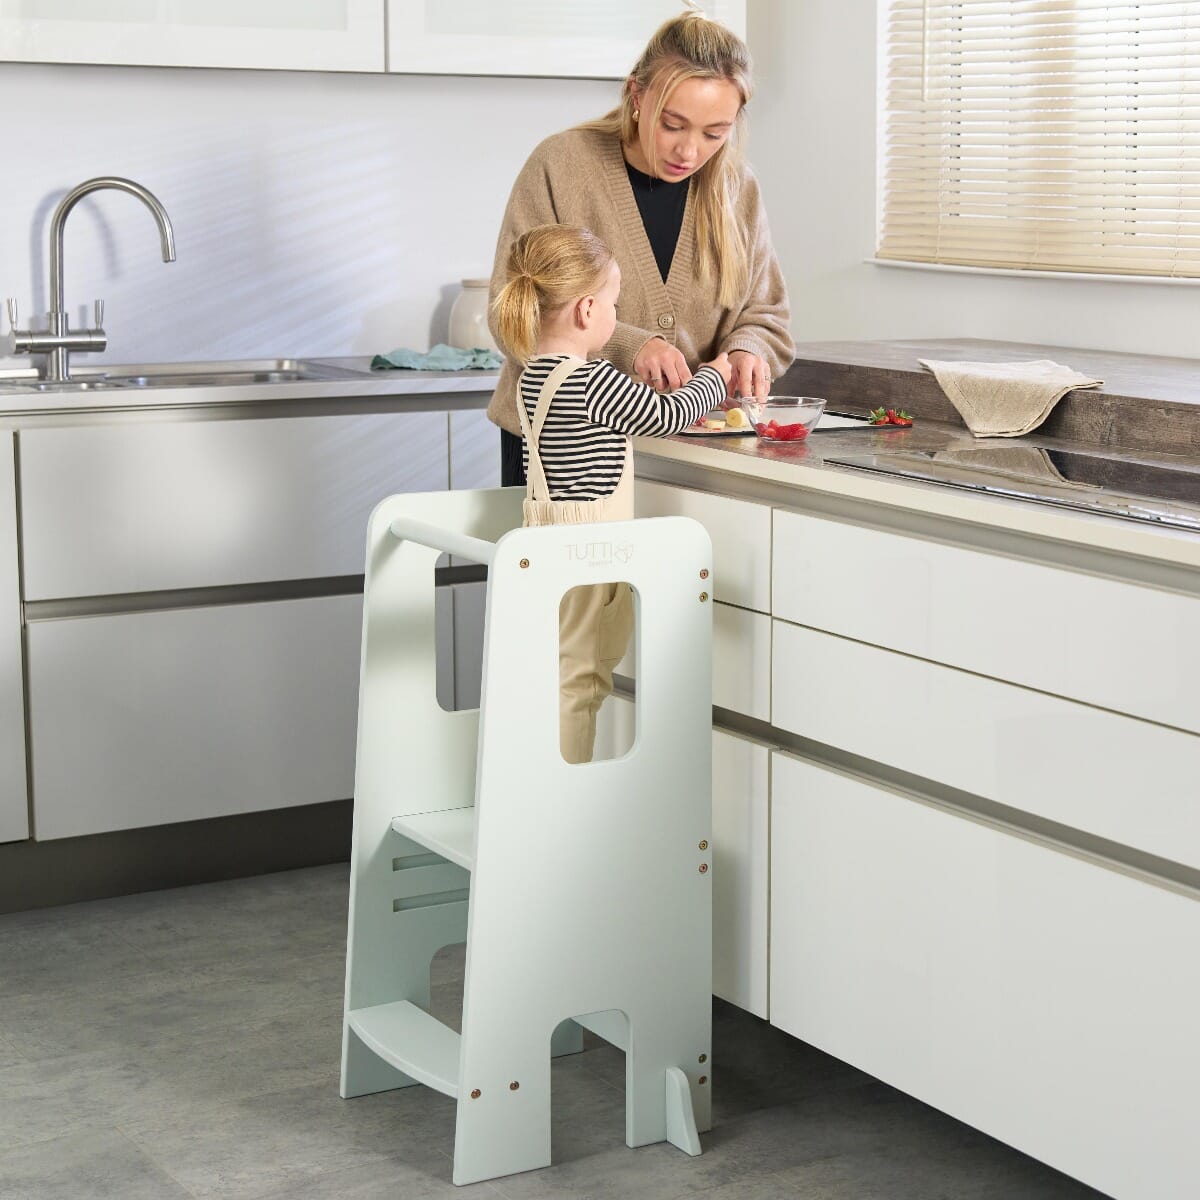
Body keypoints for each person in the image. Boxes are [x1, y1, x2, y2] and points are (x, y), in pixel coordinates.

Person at [487, 8, 793, 485]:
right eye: (673, 125)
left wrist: (747, 351)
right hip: (561, 452)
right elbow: (513, 315)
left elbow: (766, 314)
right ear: (636, 95)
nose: (689, 152)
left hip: (697, 449)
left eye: (715, 133)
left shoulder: (739, 187)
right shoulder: (561, 165)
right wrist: (630, 345)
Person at [491, 222, 731, 764]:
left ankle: (538, 782)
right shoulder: (591, 379)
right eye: (613, 306)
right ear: (585, 311)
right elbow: (671, 414)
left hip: (547, 545)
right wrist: (714, 375)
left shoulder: (534, 375)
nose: (616, 319)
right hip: (590, 556)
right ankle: (565, 794)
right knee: (584, 680)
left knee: (560, 673)